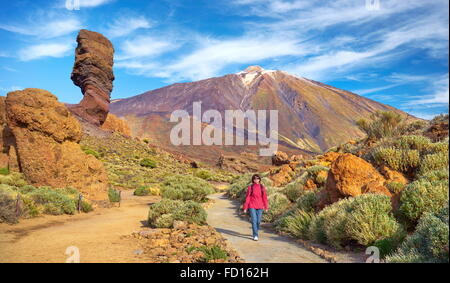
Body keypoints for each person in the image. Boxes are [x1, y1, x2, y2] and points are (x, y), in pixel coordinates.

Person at [243, 174, 269, 241]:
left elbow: (264, 197)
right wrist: (245, 207)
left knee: (258, 221)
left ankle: (256, 231)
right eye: (255, 179)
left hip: (260, 206)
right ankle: (255, 235)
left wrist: (266, 207)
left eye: (257, 178)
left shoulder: (262, 187)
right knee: (254, 220)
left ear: (259, 179)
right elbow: (248, 197)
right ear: (253, 180)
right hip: (252, 206)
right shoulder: (250, 187)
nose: (256, 180)